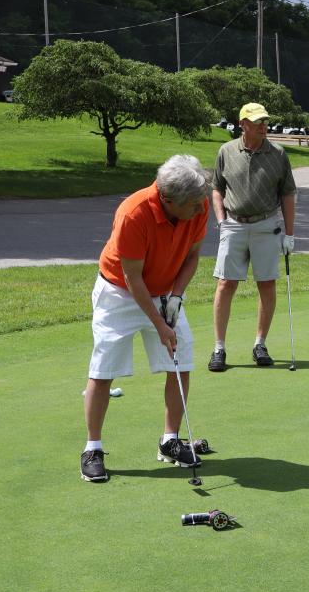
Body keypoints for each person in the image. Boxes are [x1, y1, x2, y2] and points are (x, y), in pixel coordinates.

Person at [81, 155, 210, 482]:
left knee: (180, 361)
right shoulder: (133, 213)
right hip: (119, 292)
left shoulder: (198, 203)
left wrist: (176, 297)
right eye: (194, 204)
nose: (201, 208)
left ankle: (170, 440)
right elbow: (133, 278)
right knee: (104, 368)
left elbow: (193, 256)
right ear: (168, 199)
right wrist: (159, 324)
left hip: (165, 290)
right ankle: (92, 448)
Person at [208, 102, 297, 372]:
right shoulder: (226, 151)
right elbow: (216, 189)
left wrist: (289, 235)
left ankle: (260, 344)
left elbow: (287, 195)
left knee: (267, 284)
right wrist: (221, 222)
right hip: (233, 224)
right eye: (257, 121)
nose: (263, 126)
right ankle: (219, 348)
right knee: (225, 284)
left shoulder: (278, 153)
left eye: (265, 121)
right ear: (242, 124)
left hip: (266, 226)